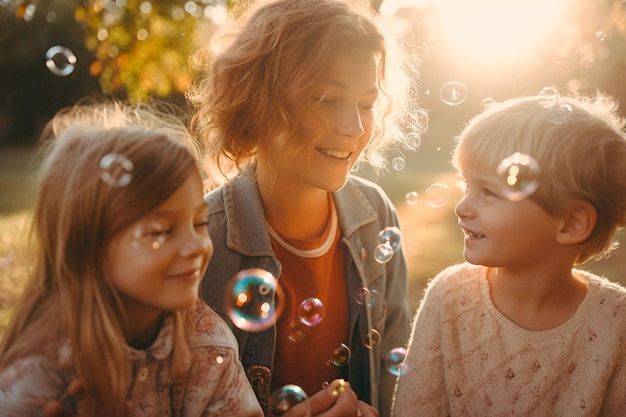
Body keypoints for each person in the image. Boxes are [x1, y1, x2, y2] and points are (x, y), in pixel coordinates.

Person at [186, 0, 422, 415]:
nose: (353, 127)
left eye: (366, 104)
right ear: (260, 100)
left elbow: (393, 375)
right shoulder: (202, 243)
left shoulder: (377, 215)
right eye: (328, 99)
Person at [0, 101, 264, 417]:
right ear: (88, 246)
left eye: (198, 223)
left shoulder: (207, 342)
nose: (196, 246)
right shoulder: (39, 376)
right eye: (162, 231)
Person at [392, 92, 626, 416]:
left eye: (488, 191)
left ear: (571, 223)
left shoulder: (617, 324)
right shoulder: (450, 297)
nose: (462, 207)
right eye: (466, 187)